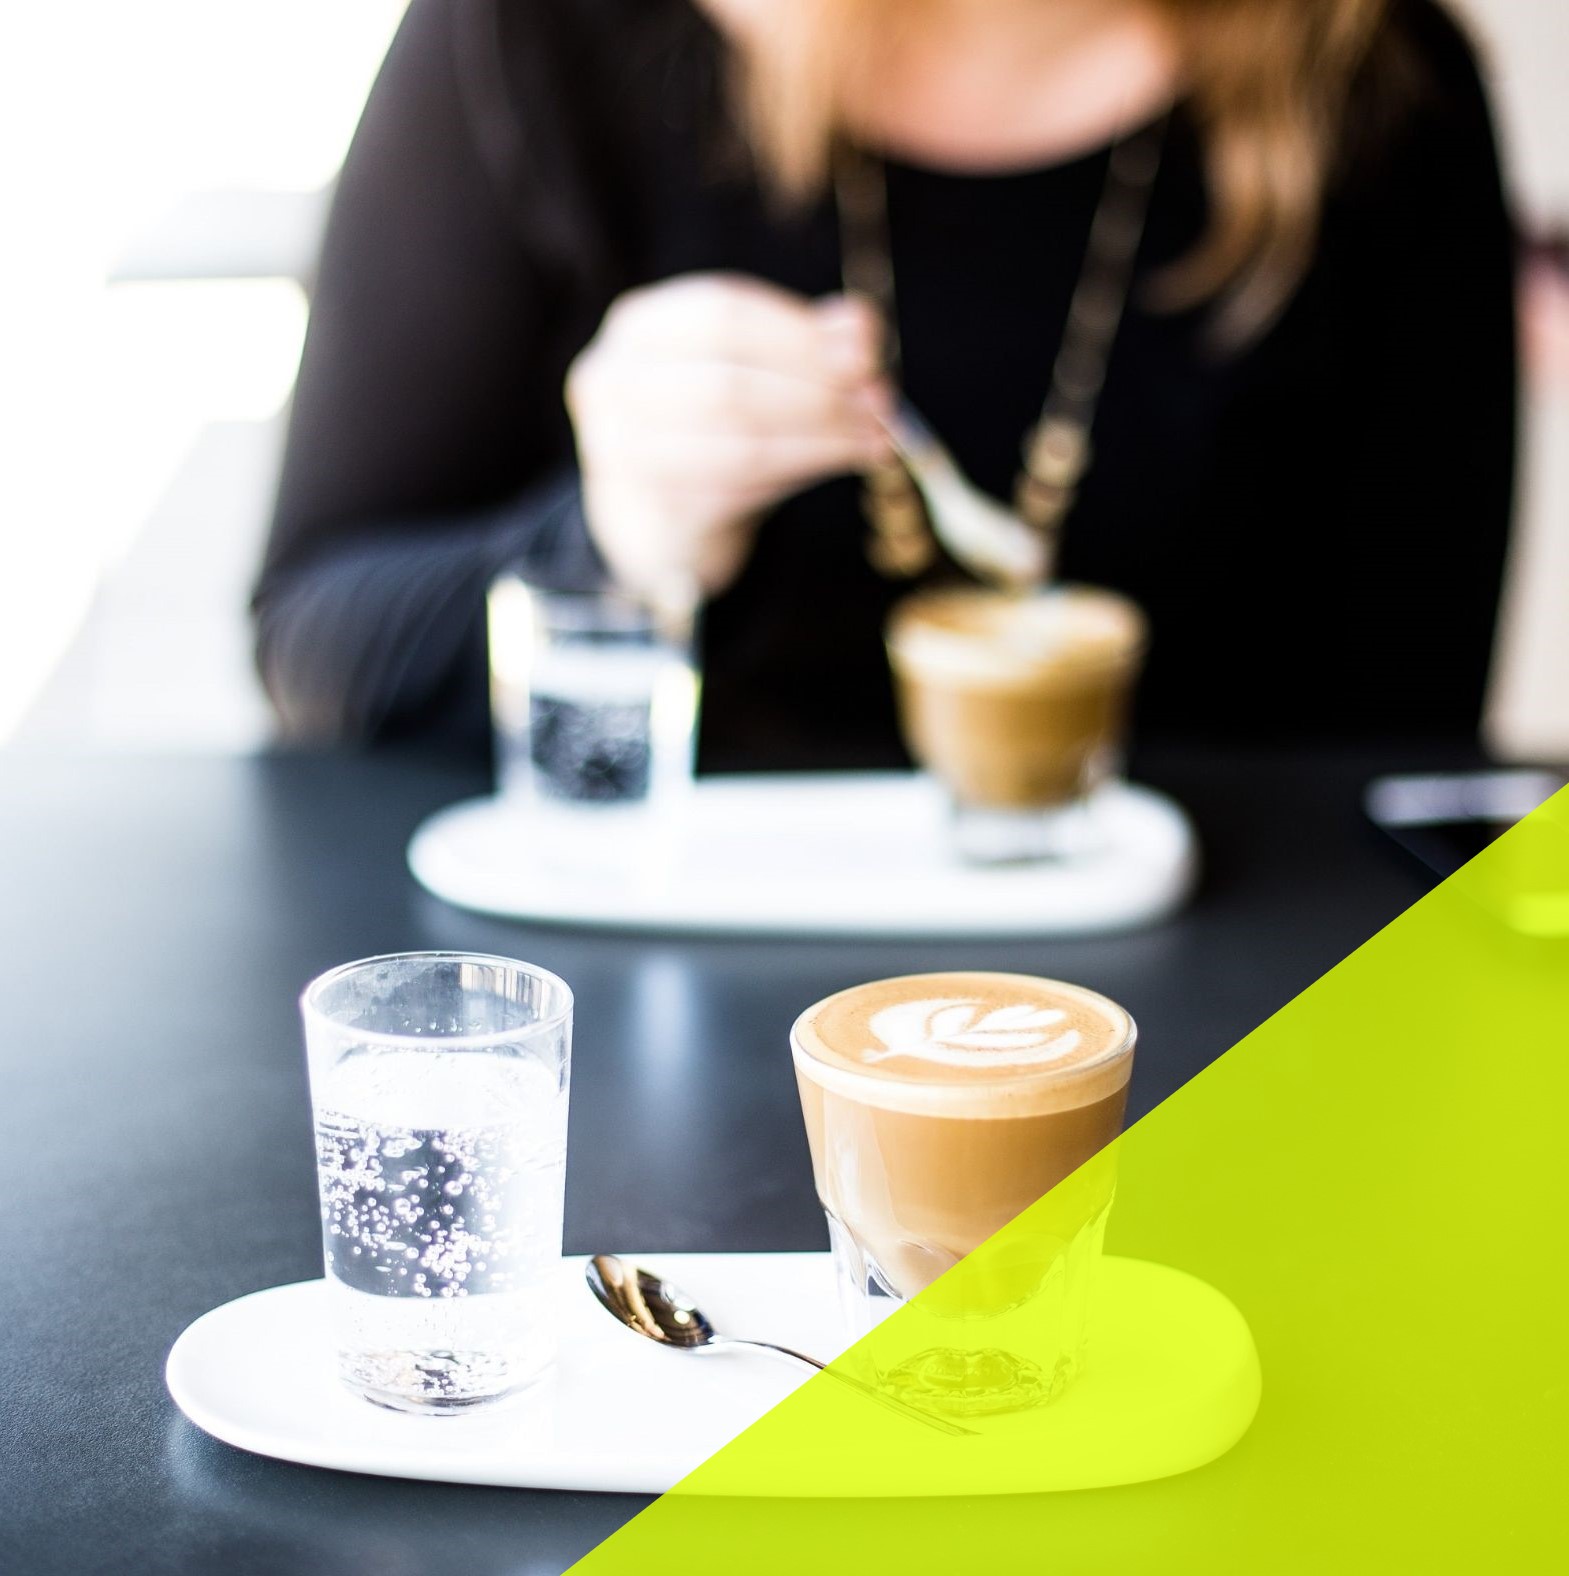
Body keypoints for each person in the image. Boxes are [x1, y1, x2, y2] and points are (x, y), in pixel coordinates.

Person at [254, 0, 1517, 771]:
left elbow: (1398, 759)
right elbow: (321, 649)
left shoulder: (1389, 94)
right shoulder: (549, 37)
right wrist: (619, 545)